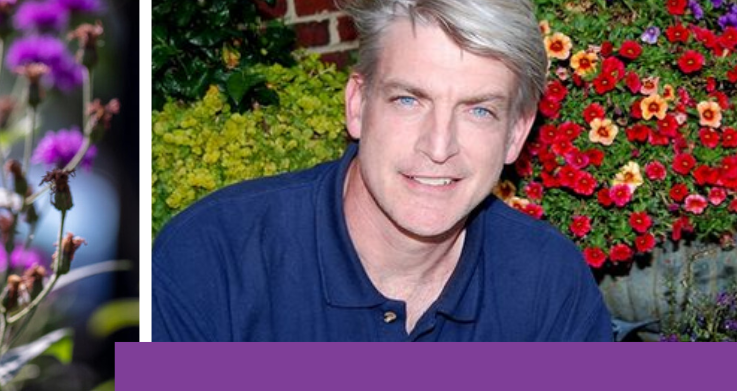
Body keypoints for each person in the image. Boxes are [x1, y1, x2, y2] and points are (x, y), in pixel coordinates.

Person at [150, 0, 613, 341]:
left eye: (479, 111)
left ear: (515, 133)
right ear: (357, 105)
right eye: (409, 100)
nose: (438, 147)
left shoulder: (549, 283)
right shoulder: (211, 260)